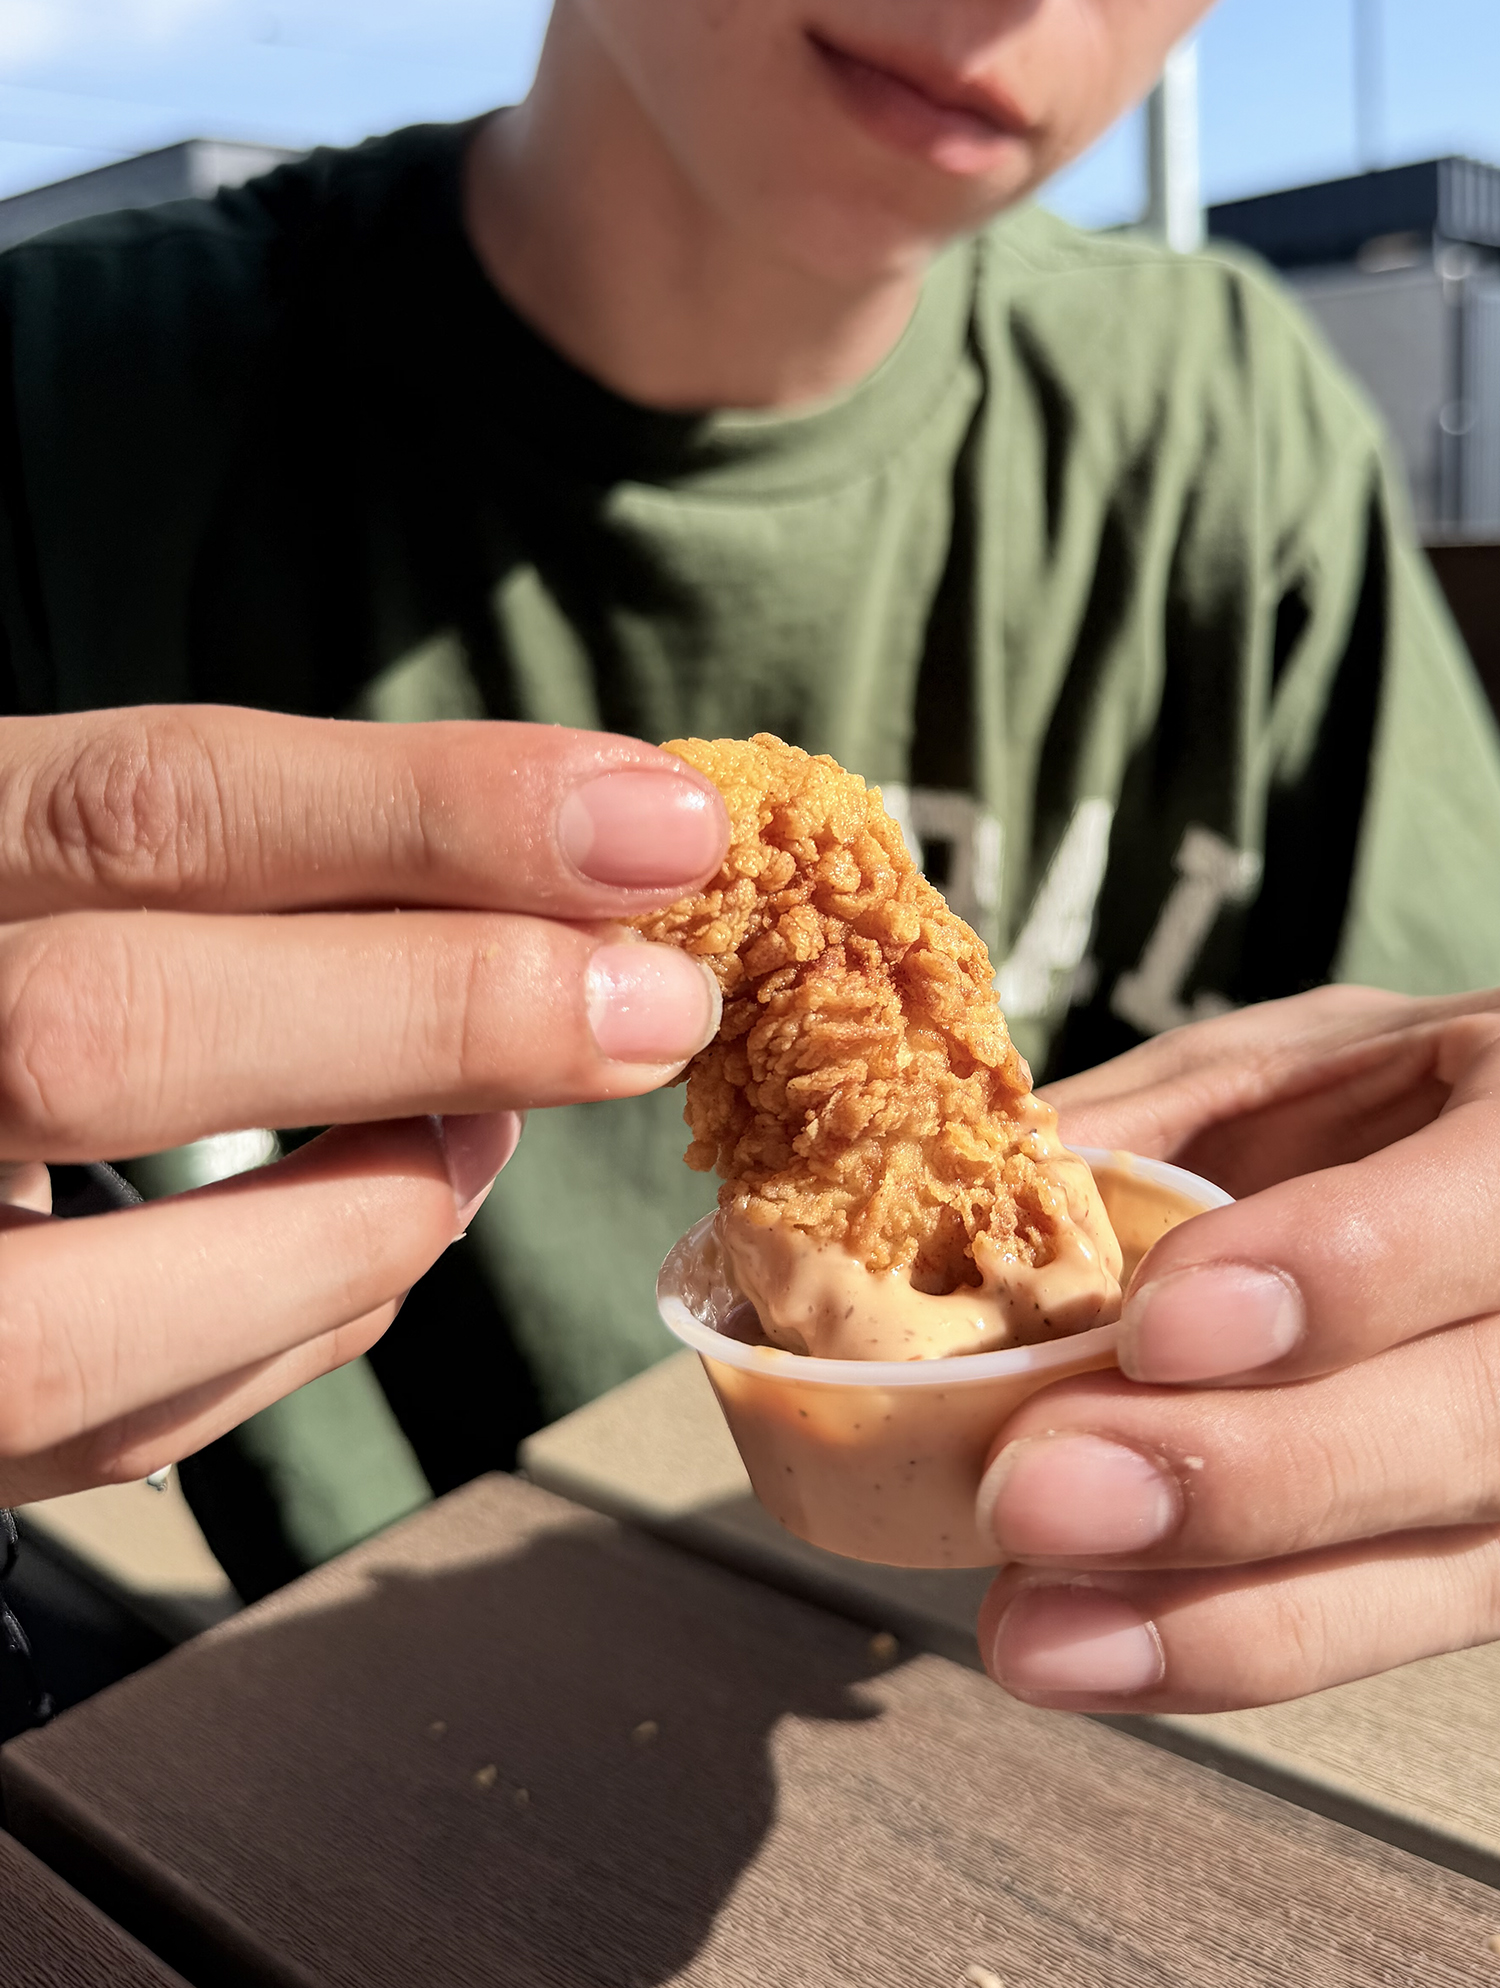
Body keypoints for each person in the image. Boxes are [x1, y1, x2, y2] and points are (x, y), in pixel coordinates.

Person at [1, 0, 1498, 1715]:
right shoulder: (65, 424)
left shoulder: (1231, 428)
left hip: (1040, 1707)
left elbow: (1438, 1096)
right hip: (321, 1724)